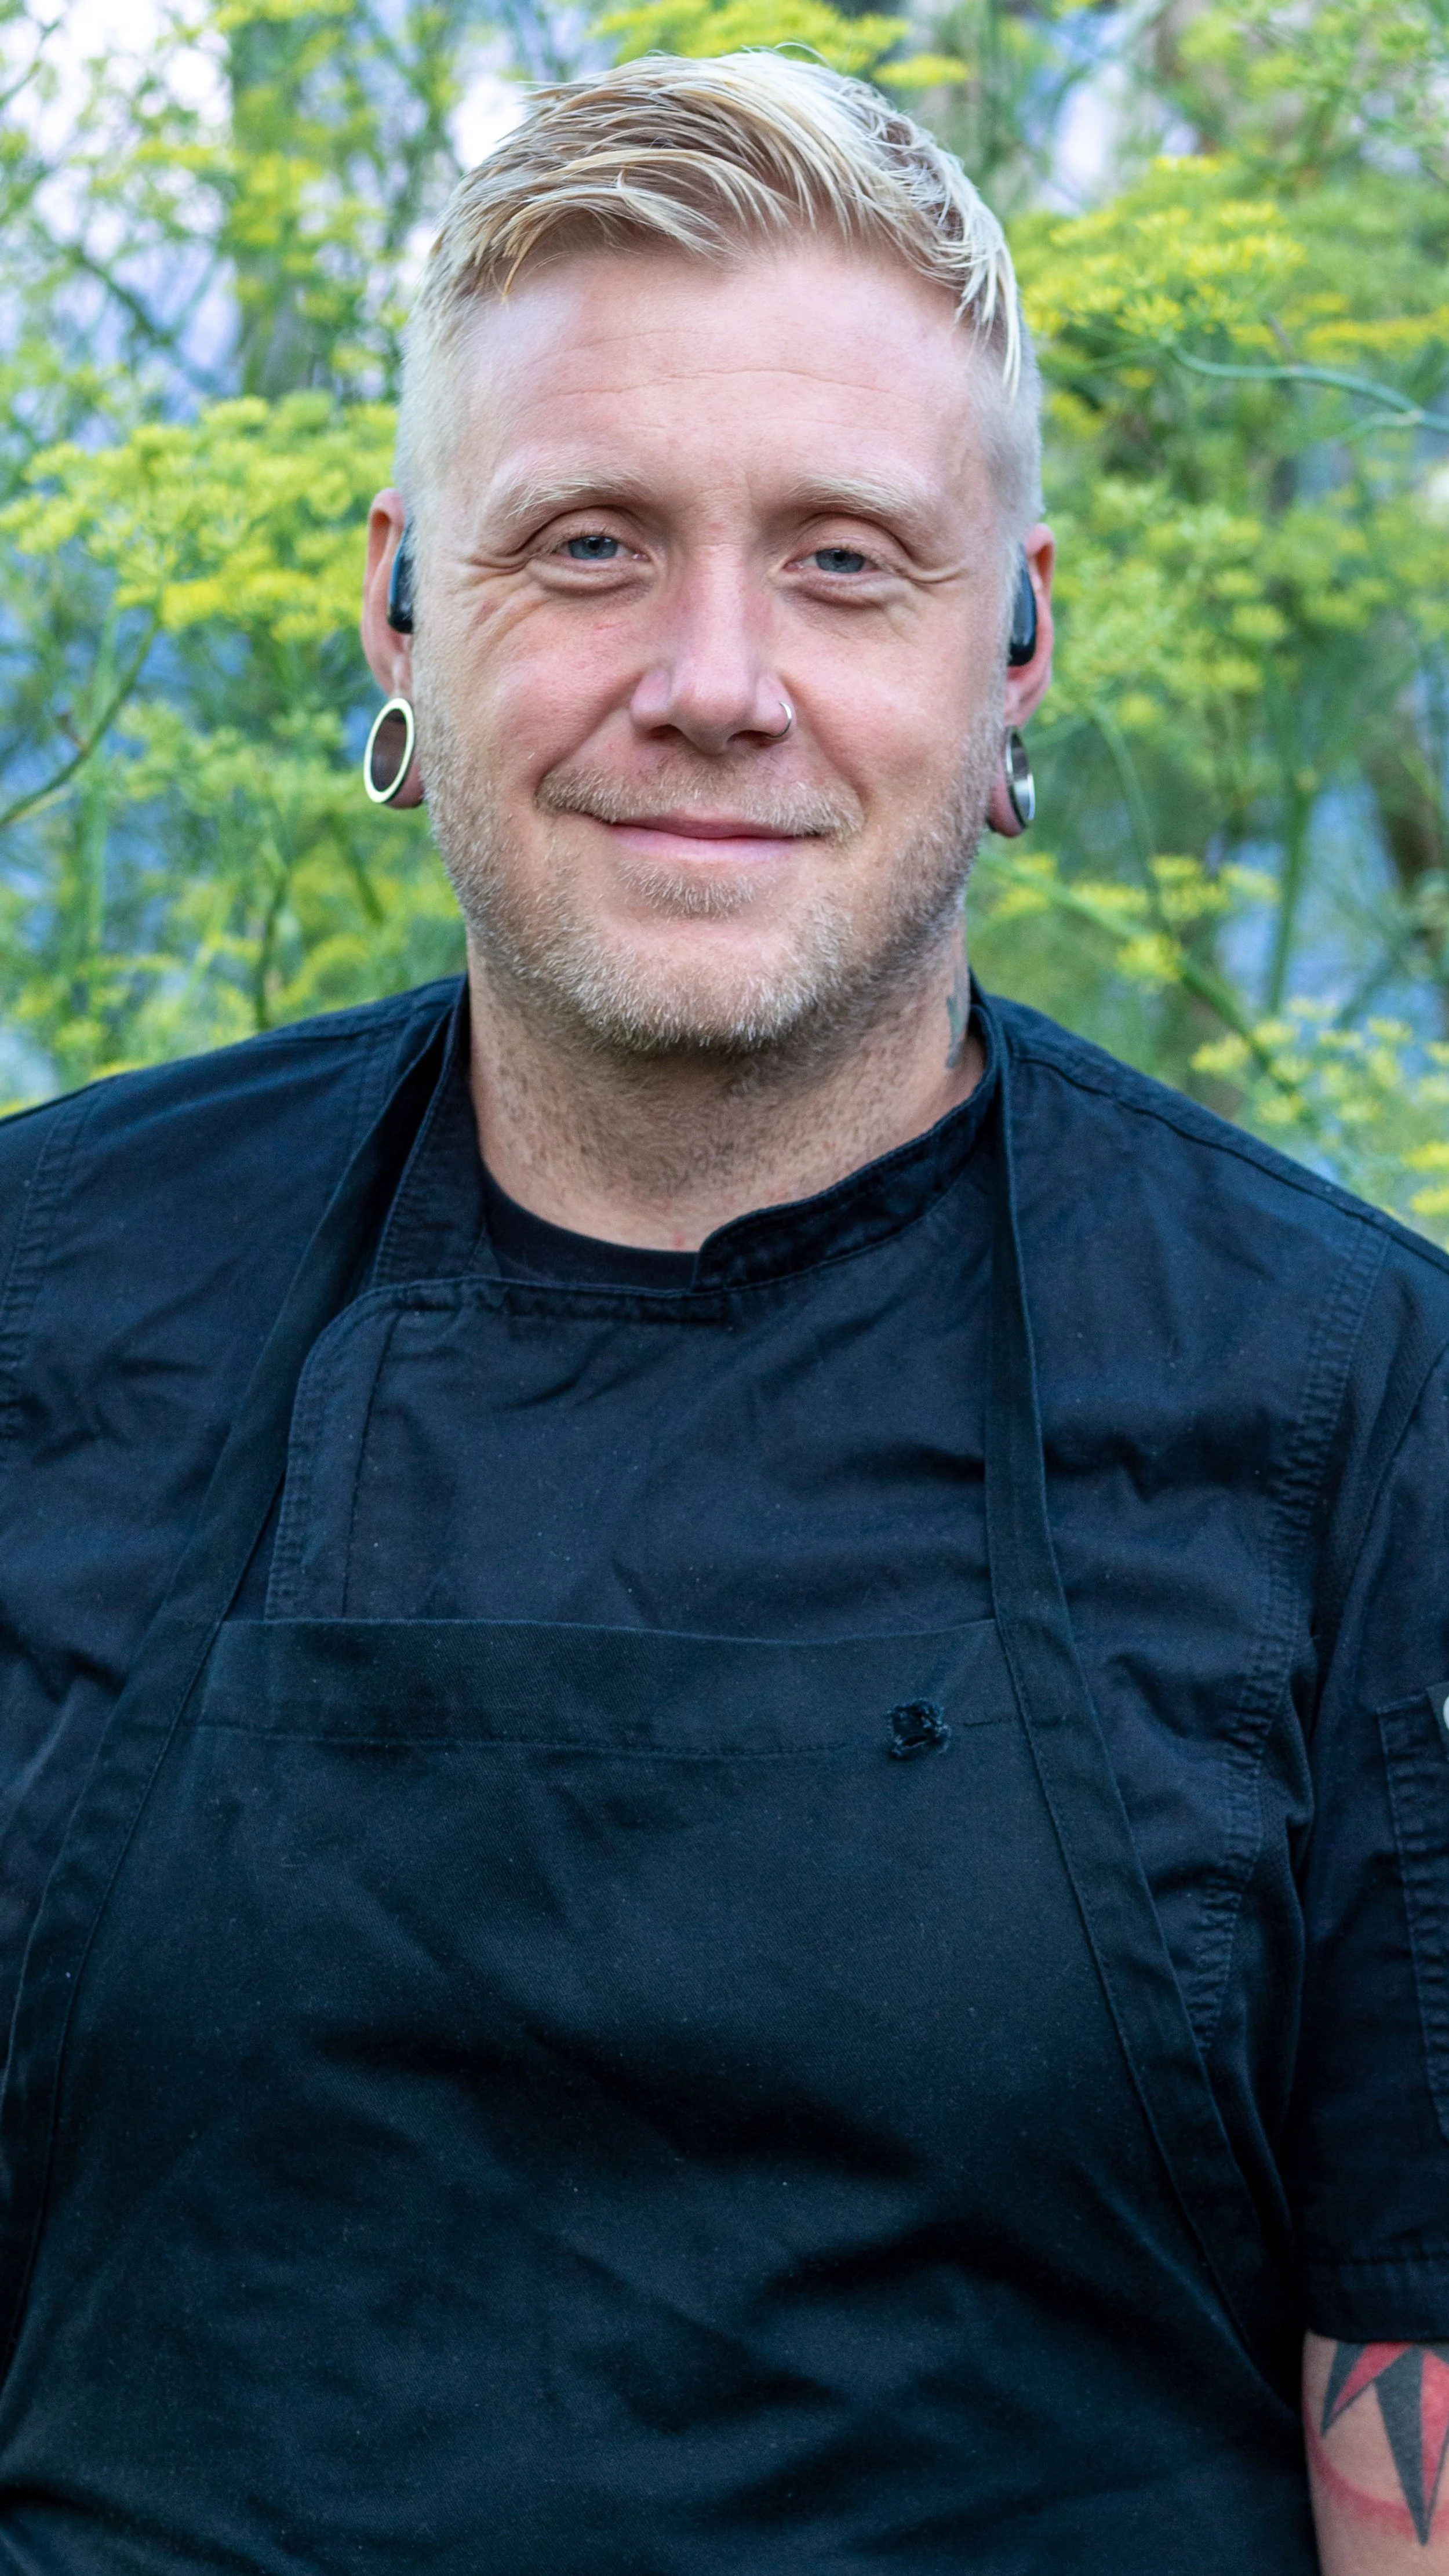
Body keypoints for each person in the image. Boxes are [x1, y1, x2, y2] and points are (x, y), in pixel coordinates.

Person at [0, 52, 1447, 2576]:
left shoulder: (1359, 1413)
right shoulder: (47, 1301)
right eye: (588, 543)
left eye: (845, 561)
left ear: (1014, 643)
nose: (713, 676)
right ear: (403, 607)